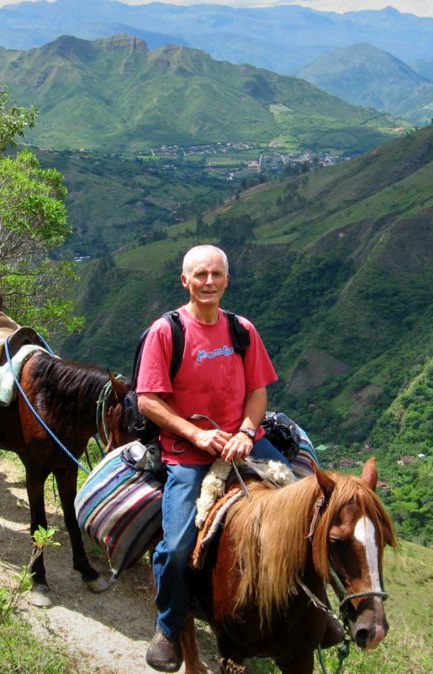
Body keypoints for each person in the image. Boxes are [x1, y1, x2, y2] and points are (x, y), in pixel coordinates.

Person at [137, 244, 296, 672]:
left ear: (227, 280)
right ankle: (169, 628)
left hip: (245, 441)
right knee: (175, 548)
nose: (209, 282)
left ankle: (315, 615)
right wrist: (195, 434)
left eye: (216, 275)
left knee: (312, 513)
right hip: (187, 453)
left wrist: (246, 431)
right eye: (200, 275)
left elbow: (257, 390)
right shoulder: (166, 331)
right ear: (184, 280)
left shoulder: (242, 329)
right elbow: (148, 400)